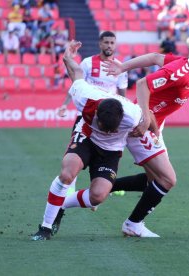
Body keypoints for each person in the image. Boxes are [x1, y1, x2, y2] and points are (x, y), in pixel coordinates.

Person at [57, 32, 189, 237]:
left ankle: (107, 187)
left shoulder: (186, 65)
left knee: (154, 182)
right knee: (167, 179)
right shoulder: (182, 71)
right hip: (142, 127)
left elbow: (154, 57)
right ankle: (132, 223)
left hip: (154, 126)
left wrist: (123, 67)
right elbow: (144, 84)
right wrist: (144, 118)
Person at [31, 40, 145, 240]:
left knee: (97, 196)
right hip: (86, 137)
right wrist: (67, 56)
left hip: (110, 151)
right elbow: (76, 73)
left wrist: (145, 130)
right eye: (103, 126)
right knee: (67, 173)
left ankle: (61, 204)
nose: (106, 131)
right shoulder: (85, 97)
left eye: (111, 129)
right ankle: (45, 227)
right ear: (97, 116)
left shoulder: (134, 114)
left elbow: (150, 119)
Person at [57, 31, 128, 196]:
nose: (109, 46)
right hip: (87, 116)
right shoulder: (88, 63)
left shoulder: (120, 67)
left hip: (107, 118)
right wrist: (64, 105)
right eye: (106, 42)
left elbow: (122, 94)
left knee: (105, 152)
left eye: (112, 43)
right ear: (100, 44)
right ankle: (70, 189)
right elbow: (77, 84)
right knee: (75, 152)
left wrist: (122, 116)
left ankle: (103, 184)